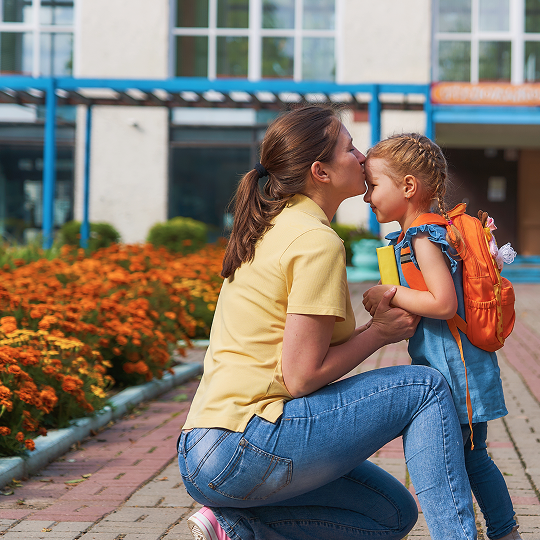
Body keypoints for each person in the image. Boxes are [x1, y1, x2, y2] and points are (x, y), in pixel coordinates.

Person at [178, 107, 479, 540]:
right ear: (319, 171)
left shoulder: (276, 226)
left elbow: (300, 360)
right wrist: (378, 335)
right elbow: (301, 378)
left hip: (206, 450)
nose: (362, 157)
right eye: (349, 147)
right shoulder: (315, 241)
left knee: (392, 514)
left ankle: (234, 526)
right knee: (425, 388)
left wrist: (378, 332)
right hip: (243, 443)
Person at [359, 133, 523, 540]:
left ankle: (503, 532)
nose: (366, 197)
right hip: (461, 365)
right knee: (473, 458)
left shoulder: (421, 236)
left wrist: (390, 292)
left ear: (409, 186)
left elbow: (443, 303)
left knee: (471, 459)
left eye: (373, 185)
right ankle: (504, 532)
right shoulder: (428, 232)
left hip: (456, 371)